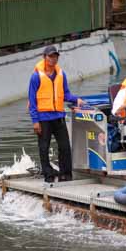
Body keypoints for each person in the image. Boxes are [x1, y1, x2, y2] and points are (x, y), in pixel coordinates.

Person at [28, 45, 85, 183]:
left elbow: (65, 94)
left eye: (55, 56)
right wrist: (35, 121)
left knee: (65, 146)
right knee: (44, 147)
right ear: (44, 57)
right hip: (43, 118)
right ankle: (48, 175)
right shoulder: (36, 76)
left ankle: (65, 174)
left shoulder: (61, 74)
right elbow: (32, 100)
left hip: (59, 117)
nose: (53, 59)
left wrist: (76, 100)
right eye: (50, 56)